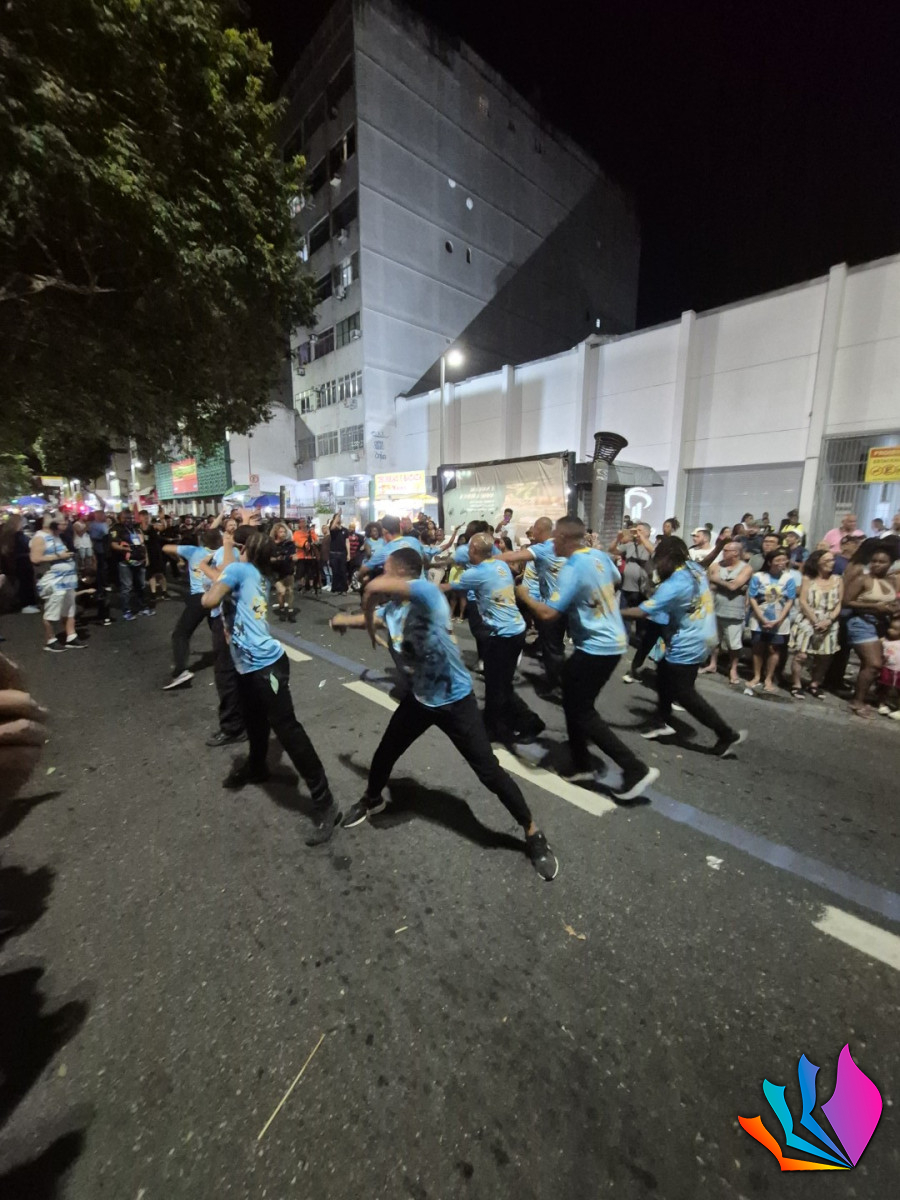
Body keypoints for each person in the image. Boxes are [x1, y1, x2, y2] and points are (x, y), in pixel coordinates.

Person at [333, 546, 558, 881]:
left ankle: (532, 831)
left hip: (456, 701)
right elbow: (378, 616)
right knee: (385, 753)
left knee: (489, 772)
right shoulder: (394, 609)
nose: (382, 575)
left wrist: (369, 587)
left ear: (403, 574)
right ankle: (372, 798)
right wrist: (345, 620)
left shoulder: (427, 595)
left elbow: (375, 587)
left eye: (388, 569)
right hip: (421, 700)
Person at [202, 528, 341, 845]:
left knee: (288, 730)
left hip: (266, 668)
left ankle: (325, 801)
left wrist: (212, 571)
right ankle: (257, 767)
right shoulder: (257, 573)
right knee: (254, 721)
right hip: (247, 665)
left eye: (236, 545)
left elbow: (209, 599)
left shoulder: (240, 570)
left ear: (244, 548)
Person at [516, 516, 659, 800]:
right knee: (572, 700)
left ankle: (634, 768)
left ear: (564, 539)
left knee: (582, 710)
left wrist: (524, 595)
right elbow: (615, 580)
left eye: (554, 539)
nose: (551, 544)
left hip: (598, 647)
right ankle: (581, 763)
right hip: (610, 640)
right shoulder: (598, 556)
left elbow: (547, 613)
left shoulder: (572, 568)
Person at [620, 539, 746, 754]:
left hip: (690, 640)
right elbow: (705, 563)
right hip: (704, 632)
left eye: (658, 558)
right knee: (663, 673)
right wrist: (718, 547)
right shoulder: (692, 568)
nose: (656, 563)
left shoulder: (674, 584)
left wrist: (611, 612)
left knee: (685, 693)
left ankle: (726, 733)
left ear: (666, 558)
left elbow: (642, 612)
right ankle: (661, 719)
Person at [446, 533, 545, 761]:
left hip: (505, 636)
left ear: (474, 551)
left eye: (469, 548)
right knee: (497, 682)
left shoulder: (476, 573)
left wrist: (418, 587)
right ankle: (496, 724)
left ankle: (525, 723)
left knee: (498, 685)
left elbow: (447, 586)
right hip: (511, 632)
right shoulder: (499, 565)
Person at [498, 516, 569, 689]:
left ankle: (555, 683)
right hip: (568, 602)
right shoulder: (562, 546)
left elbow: (514, 556)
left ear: (539, 530)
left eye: (533, 530)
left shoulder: (542, 548)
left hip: (553, 604)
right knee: (555, 643)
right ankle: (559, 676)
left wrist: (489, 558)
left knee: (552, 646)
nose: (531, 533)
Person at [843, 546, 899, 718]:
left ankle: (865, 694)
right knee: (873, 663)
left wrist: (892, 609)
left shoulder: (891, 581)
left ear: (890, 564)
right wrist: (873, 606)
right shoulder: (863, 579)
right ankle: (857, 701)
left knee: (875, 665)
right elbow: (847, 601)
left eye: (882, 562)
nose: (876, 565)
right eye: (874, 561)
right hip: (861, 623)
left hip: (882, 625)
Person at [161, 529, 220, 689]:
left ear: (202, 540)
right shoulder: (224, 553)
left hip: (199, 598)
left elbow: (166, 548)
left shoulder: (193, 551)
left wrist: (179, 559)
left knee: (181, 634)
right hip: (217, 596)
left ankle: (181, 671)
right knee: (220, 632)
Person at [787, 550, 842, 698]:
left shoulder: (837, 580)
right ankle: (796, 684)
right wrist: (816, 621)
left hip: (829, 621)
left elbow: (839, 603)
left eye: (832, 560)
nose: (831, 563)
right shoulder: (808, 579)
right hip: (809, 620)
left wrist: (829, 620)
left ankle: (815, 684)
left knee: (824, 657)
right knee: (801, 655)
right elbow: (803, 601)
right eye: (827, 560)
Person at [29, 518, 86, 652]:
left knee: (70, 608)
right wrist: (59, 557)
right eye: (62, 523)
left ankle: (71, 636)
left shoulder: (58, 536)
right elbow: (35, 558)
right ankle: (50, 640)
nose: (66, 525)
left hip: (67, 579)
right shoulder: (40, 538)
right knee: (52, 610)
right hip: (54, 580)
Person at [745, 548, 796, 694]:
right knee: (758, 648)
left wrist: (779, 619)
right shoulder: (758, 576)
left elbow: (790, 600)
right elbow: (752, 597)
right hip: (759, 617)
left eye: (783, 560)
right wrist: (761, 618)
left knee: (774, 649)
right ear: (769, 562)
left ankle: (769, 678)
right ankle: (756, 675)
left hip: (779, 619)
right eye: (777, 560)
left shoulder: (788, 578)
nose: (781, 563)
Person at [703, 541, 752, 683]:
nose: (723, 553)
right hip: (715, 607)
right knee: (713, 640)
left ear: (736, 552)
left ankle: (733, 669)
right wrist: (728, 584)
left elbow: (733, 586)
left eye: (726, 550)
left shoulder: (746, 568)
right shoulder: (716, 565)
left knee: (733, 643)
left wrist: (718, 581)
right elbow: (710, 584)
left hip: (733, 610)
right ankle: (712, 664)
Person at [109, 510, 150, 620]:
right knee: (127, 587)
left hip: (139, 560)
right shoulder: (116, 529)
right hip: (125, 562)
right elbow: (113, 544)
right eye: (126, 518)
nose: (129, 520)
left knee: (141, 585)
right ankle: (126, 610)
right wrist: (124, 549)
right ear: (120, 518)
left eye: (131, 517)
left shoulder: (136, 528)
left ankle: (142, 607)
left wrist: (146, 557)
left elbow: (143, 543)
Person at [0, 514, 40, 612]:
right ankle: (27, 604)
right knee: (26, 584)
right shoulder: (19, 536)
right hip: (23, 563)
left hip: (12, 564)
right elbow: (28, 545)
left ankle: (23, 603)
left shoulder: (6, 535)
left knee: (20, 584)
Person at [270, 522, 297, 620]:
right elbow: (269, 559)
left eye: (284, 532)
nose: (283, 534)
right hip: (277, 572)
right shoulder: (272, 545)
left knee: (290, 590)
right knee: (281, 592)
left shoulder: (290, 544)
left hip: (288, 570)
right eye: (281, 532)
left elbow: (294, 555)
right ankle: (281, 609)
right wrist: (277, 558)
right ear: (276, 533)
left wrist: (294, 558)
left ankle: (290, 611)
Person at [876, 616, 900, 718]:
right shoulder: (885, 641)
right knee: (884, 687)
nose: (890, 630)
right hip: (887, 669)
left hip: (899, 670)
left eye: (894, 629)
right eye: (890, 627)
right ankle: (882, 704)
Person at [328, 510, 350, 595]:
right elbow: (333, 526)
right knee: (335, 571)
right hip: (333, 553)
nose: (339, 519)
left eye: (340, 518)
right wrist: (338, 514)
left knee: (343, 571)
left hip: (342, 553)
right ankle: (336, 588)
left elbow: (347, 542)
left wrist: (348, 554)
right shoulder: (333, 529)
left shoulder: (345, 530)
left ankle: (344, 589)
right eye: (337, 518)